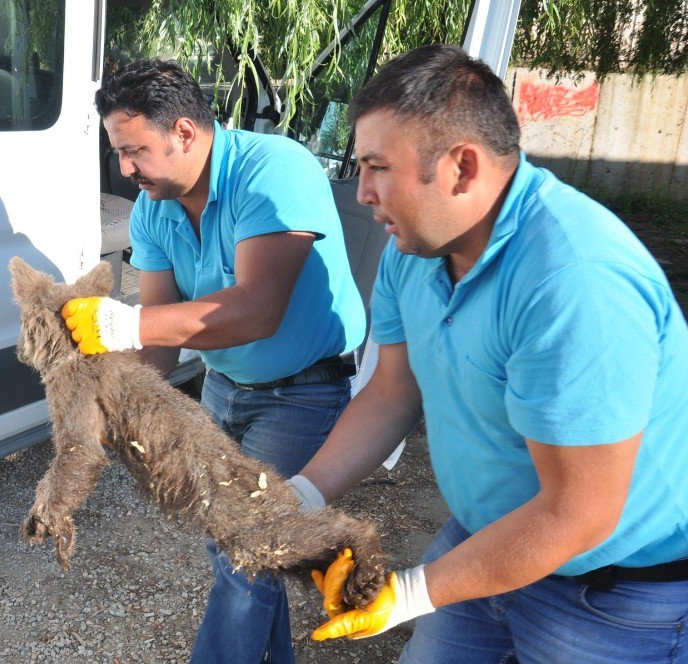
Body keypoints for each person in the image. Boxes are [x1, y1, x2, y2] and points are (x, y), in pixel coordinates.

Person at [289, 44, 688, 662]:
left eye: (377, 167)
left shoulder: (573, 281)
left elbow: (577, 514)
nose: (362, 191)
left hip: (610, 595)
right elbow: (391, 394)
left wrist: (412, 593)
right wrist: (301, 499)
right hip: (483, 543)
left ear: (462, 168)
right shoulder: (414, 250)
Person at [61, 58, 365, 663]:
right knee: (241, 551)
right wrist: (125, 413)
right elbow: (162, 336)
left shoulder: (273, 171)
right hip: (224, 388)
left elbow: (257, 310)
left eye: (134, 150)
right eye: (118, 151)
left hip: (303, 391)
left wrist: (119, 322)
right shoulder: (153, 208)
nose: (124, 167)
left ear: (184, 132)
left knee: (245, 555)